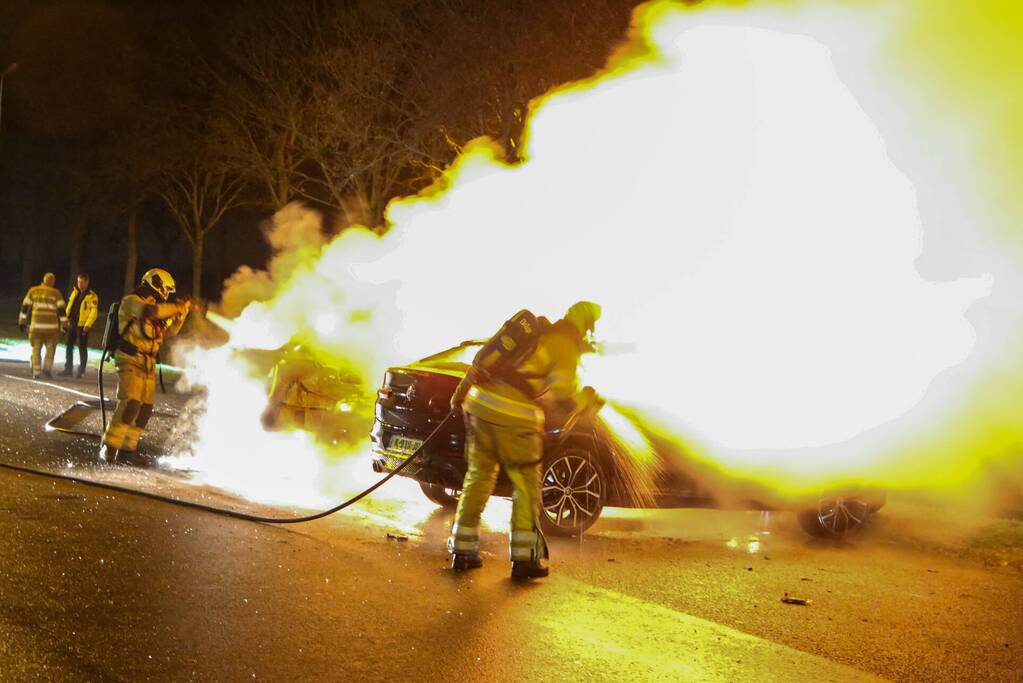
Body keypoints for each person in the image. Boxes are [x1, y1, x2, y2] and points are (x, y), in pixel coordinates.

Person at [447, 301, 602, 579]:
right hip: (514, 416)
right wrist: (587, 398)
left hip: (480, 406)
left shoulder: (538, 333)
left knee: (479, 477)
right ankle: (524, 560)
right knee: (526, 486)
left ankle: (462, 551)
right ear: (587, 327)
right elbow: (561, 400)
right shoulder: (565, 347)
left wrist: (461, 393)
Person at [99, 268, 191, 466]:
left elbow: (169, 332)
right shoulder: (132, 301)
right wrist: (176, 307)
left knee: (145, 409)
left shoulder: (156, 307)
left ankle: (127, 449)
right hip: (129, 358)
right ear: (156, 284)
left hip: (148, 362)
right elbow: (150, 312)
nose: (165, 295)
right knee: (130, 403)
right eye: (165, 290)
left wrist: (181, 314)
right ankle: (109, 447)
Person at [19, 273, 68, 380]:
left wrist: (22, 322)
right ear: (53, 281)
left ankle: (36, 372)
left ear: (43, 280)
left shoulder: (33, 291)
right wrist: (64, 325)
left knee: (36, 349)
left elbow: (25, 307)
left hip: (36, 327)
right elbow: (61, 310)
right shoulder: (56, 293)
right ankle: (47, 368)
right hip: (52, 328)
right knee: (51, 349)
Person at [59, 273, 99, 378]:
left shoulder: (92, 296)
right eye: (78, 281)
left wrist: (88, 324)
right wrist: (65, 319)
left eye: (81, 282)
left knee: (82, 347)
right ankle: (68, 369)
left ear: (87, 282)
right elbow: (69, 307)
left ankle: (81, 371)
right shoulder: (75, 292)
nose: (79, 284)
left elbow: (93, 312)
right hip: (72, 323)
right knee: (68, 345)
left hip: (82, 325)